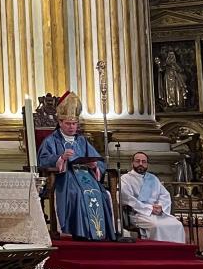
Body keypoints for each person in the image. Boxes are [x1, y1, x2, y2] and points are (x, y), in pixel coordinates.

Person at [36, 93, 115, 241]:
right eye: (68, 124)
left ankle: (98, 233)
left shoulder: (82, 140)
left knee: (101, 193)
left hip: (86, 176)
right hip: (65, 177)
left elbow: (99, 161)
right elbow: (43, 160)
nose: (72, 127)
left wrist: (94, 165)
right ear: (60, 122)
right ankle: (80, 231)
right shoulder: (51, 140)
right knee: (77, 193)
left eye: (74, 124)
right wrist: (60, 158)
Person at [119, 152, 187, 243]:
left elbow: (164, 195)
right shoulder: (125, 179)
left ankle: (176, 254)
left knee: (177, 224)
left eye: (144, 162)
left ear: (147, 164)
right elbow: (127, 198)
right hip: (138, 214)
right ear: (132, 163)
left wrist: (160, 207)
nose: (141, 164)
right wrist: (150, 209)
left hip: (157, 212)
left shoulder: (153, 178)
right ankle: (158, 253)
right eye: (137, 161)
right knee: (156, 225)